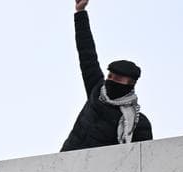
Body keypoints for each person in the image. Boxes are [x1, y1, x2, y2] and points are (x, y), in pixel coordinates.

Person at [60, 0, 152, 151]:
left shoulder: (138, 124)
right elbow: (87, 54)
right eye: (109, 76)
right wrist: (80, 12)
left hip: (102, 171)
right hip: (67, 162)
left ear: (129, 84)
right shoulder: (96, 90)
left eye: (117, 79)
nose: (110, 81)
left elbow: (143, 160)